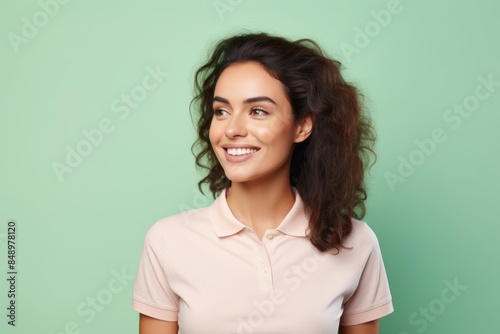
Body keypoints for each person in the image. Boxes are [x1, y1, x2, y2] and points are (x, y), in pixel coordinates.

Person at [131, 32, 393, 334]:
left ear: (302, 125)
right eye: (222, 111)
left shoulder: (356, 242)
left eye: (257, 111)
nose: (232, 129)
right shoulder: (167, 241)